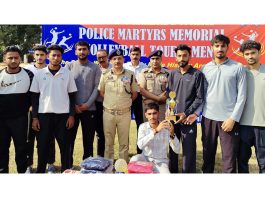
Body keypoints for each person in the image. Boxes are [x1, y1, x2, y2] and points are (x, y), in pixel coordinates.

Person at [201, 34, 247, 173]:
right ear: (212, 48)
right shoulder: (205, 68)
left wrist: (233, 118)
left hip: (228, 120)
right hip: (208, 118)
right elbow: (201, 94)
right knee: (207, 156)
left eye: (222, 46)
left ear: (228, 48)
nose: (219, 49)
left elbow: (242, 96)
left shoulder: (238, 67)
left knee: (229, 159)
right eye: (217, 46)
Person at [30, 44, 77, 173]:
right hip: (44, 116)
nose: (56, 58)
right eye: (53, 55)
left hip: (63, 117)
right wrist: (34, 117)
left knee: (64, 148)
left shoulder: (67, 73)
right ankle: (40, 171)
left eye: (58, 55)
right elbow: (34, 97)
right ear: (48, 56)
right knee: (42, 147)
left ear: (61, 57)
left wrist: (71, 115)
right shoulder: (40, 74)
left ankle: (66, 171)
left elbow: (72, 96)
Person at [167, 44, 204, 173]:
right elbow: (169, 95)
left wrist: (187, 112)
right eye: (179, 55)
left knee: (188, 152)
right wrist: (168, 108)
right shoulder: (172, 74)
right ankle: (172, 172)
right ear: (176, 57)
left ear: (189, 56)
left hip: (188, 118)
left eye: (184, 55)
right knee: (172, 148)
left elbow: (200, 98)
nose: (182, 58)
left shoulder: (197, 74)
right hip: (172, 117)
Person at [98, 48, 138, 162]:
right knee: (108, 142)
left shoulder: (130, 74)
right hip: (108, 114)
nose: (117, 61)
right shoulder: (105, 74)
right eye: (114, 59)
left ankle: (122, 166)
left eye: (119, 58)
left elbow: (134, 93)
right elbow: (101, 92)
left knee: (124, 143)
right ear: (110, 61)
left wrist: (125, 102)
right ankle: (108, 165)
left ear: (123, 60)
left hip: (124, 114)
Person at [66, 41, 101, 166]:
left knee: (88, 140)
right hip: (72, 111)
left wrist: (87, 104)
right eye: (79, 49)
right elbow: (66, 87)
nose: (82, 52)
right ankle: (67, 165)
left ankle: (88, 166)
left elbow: (97, 87)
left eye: (84, 49)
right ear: (75, 51)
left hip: (89, 109)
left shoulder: (95, 68)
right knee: (69, 140)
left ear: (89, 51)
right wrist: (74, 105)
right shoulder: (69, 66)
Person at [0, 46, 34, 173]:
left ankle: (23, 172)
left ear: (20, 58)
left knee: (21, 149)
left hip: (21, 120)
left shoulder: (29, 74)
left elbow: (33, 97)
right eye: (10, 58)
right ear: (4, 59)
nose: (13, 60)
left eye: (16, 57)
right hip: (2, 121)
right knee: (2, 149)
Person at [24, 45, 56, 173]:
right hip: (31, 110)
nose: (39, 57)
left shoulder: (51, 69)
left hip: (47, 110)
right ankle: (28, 165)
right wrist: (29, 105)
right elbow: (26, 90)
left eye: (42, 55)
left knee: (48, 137)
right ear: (34, 56)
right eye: (37, 55)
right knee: (29, 138)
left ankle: (50, 163)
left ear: (46, 56)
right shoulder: (27, 70)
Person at [238, 40, 265, 173]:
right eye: (247, 54)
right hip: (243, 124)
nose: (250, 56)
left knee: (264, 162)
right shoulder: (240, 73)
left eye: (253, 53)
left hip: (263, 125)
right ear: (243, 55)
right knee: (242, 162)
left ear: (259, 52)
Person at [130, 103, 180, 173]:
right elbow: (140, 146)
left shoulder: (166, 127)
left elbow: (177, 150)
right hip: (145, 159)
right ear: (146, 115)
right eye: (149, 114)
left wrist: (172, 134)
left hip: (161, 162)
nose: (152, 116)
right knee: (134, 160)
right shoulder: (143, 126)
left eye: (154, 113)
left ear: (158, 113)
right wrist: (155, 131)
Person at [124, 47, 148, 154]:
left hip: (140, 98)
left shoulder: (145, 67)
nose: (135, 56)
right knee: (124, 125)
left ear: (140, 55)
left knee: (140, 124)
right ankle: (125, 151)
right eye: (133, 54)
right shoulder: (124, 66)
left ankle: (140, 151)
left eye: (137, 54)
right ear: (129, 55)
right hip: (127, 97)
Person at [139, 50, 169, 122]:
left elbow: (168, 91)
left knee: (162, 128)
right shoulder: (144, 72)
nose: (155, 61)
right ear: (150, 60)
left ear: (161, 59)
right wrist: (158, 99)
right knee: (148, 129)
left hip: (162, 107)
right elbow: (142, 90)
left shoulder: (168, 73)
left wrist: (154, 100)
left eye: (157, 58)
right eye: (153, 59)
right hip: (148, 106)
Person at [94, 49, 112, 157]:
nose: (101, 59)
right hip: (98, 105)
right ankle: (100, 156)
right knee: (100, 133)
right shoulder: (95, 69)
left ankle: (110, 156)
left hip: (111, 105)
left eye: (103, 57)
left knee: (110, 132)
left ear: (107, 57)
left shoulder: (114, 69)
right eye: (99, 58)